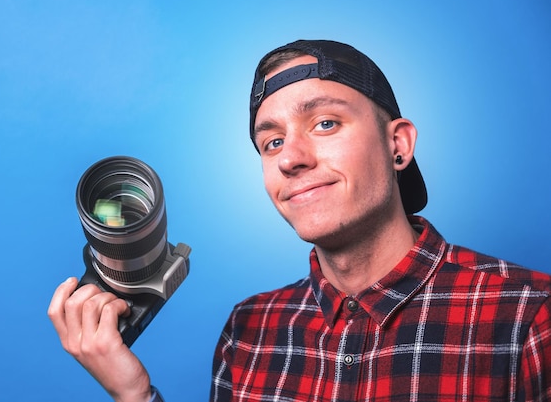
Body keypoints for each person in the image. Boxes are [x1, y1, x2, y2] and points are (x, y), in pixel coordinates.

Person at [48, 39, 551, 402]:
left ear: (398, 145)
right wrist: (134, 394)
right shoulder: (249, 331)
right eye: (272, 142)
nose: (292, 158)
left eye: (326, 123)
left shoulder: (530, 319)